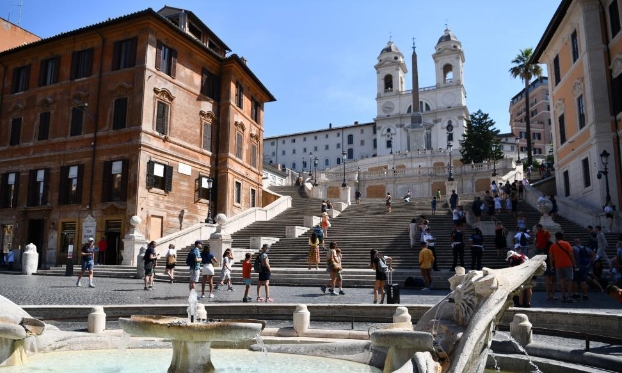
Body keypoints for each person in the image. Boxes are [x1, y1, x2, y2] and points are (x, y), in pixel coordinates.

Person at [549, 232, 577, 303]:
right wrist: (574, 263)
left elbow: (551, 256)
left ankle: (563, 296)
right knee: (570, 280)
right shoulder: (566, 243)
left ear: (556, 237)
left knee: (561, 281)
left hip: (558, 265)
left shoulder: (553, 245)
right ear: (562, 237)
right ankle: (569, 296)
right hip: (568, 264)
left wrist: (552, 265)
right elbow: (571, 254)